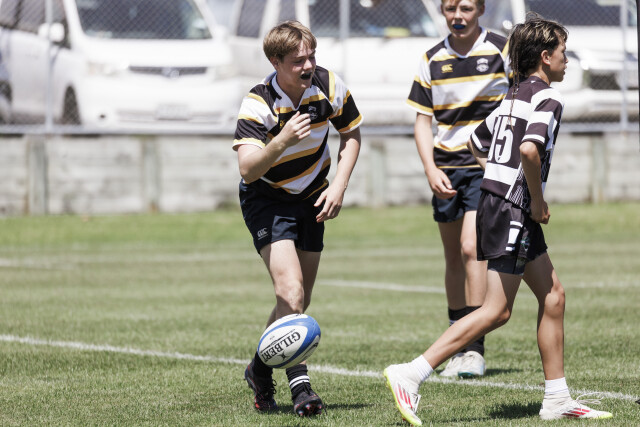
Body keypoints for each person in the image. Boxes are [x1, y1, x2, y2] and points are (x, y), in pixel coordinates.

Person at [384, 15, 613, 425]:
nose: (567, 59)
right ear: (545, 57)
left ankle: (557, 399)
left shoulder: (511, 96)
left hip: (499, 203)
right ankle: (411, 373)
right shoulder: (548, 98)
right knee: (497, 310)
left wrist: (496, 179)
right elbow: (529, 150)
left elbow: (476, 142)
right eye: (563, 52)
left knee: (554, 296)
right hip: (514, 209)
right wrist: (535, 201)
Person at [233, 21, 362, 417]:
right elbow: (248, 169)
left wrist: (338, 186)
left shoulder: (328, 84)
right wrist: (283, 140)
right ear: (275, 62)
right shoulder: (258, 103)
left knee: (298, 300)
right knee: (290, 292)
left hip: (312, 197)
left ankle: (258, 369)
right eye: (297, 61)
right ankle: (301, 388)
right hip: (267, 199)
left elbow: (352, 133)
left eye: (311, 57)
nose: (308, 66)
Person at [406, 0, 512, 378]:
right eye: (450, 8)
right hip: (446, 169)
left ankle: (474, 350)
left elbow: (520, 101)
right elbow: (422, 121)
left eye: (465, 7)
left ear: (480, 9)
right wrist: (430, 168)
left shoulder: (502, 50)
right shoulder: (432, 59)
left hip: (485, 166)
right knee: (453, 256)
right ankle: (457, 344)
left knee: (472, 248)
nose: (457, 16)